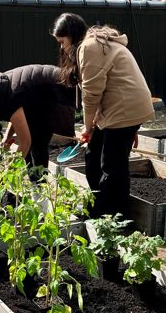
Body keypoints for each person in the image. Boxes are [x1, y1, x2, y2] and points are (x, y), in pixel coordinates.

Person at [53, 12, 155, 217]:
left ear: (72, 36)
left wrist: (88, 127)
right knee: (92, 156)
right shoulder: (96, 45)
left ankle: (114, 218)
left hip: (124, 109)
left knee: (112, 165)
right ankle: (99, 205)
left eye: (62, 42)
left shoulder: (90, 47)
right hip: (121, 109)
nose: (62, 48)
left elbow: (91, 95)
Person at [0, 64, 76, 169]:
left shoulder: (9, 94)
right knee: (29, 145)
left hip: (59, 90)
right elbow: (15, 116)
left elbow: (25, 142)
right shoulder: (0, 91)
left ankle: (39, 182)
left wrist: (10, 172)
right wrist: (7, 138)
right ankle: (35, 181)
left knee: (37, 141)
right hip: (42, 96)